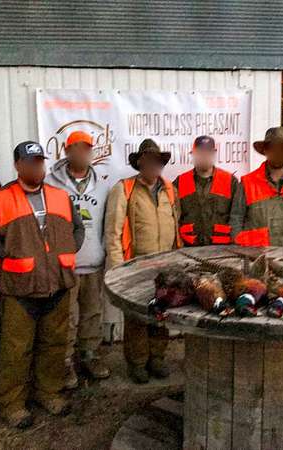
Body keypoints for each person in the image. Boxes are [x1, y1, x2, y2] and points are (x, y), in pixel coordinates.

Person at [0, 141, 84, 428]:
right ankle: (12, 403)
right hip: (19, 288)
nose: (36, 167)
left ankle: (49, 393)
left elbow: (78, 228)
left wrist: (68, 249)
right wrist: (7, 252)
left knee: (54, 344)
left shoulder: (60, 196)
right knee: (15, 349)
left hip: (58, 284)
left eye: (39, 162)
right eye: (30, 162)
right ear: (18, 165)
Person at [104, 139, 181, 384]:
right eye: (148, 161)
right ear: (139, 163)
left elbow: (176, 224)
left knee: (161, 313)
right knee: (137, 315)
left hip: (165, 264)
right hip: (135, 266)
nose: (153, 166)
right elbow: (113, 232)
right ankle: (137, 363)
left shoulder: (169, 189)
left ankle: (156, 357)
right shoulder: (124, 189)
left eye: (157, 161)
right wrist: (118, 270)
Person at [45, 131, 112, 387]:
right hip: (65, 265)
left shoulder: (102, 186)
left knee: (92, 313)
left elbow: (107, 223)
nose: (81, 153)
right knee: (66, 317)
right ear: (66, 150)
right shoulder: (51, 184)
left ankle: (89, 355)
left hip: (93, 263)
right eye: (76, 148)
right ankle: (64, 362)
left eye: (86, 149)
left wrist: (104, 251)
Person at [173, 135, 240, 246]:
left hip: (222, 250)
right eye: (200, 152)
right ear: (193, 154)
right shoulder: (179, 182)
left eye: (208, 152)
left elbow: (237, 218)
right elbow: (174, 218)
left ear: (214, 154)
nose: (204, 156)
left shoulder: (230, 181)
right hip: (189, 249)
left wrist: (235, 245)